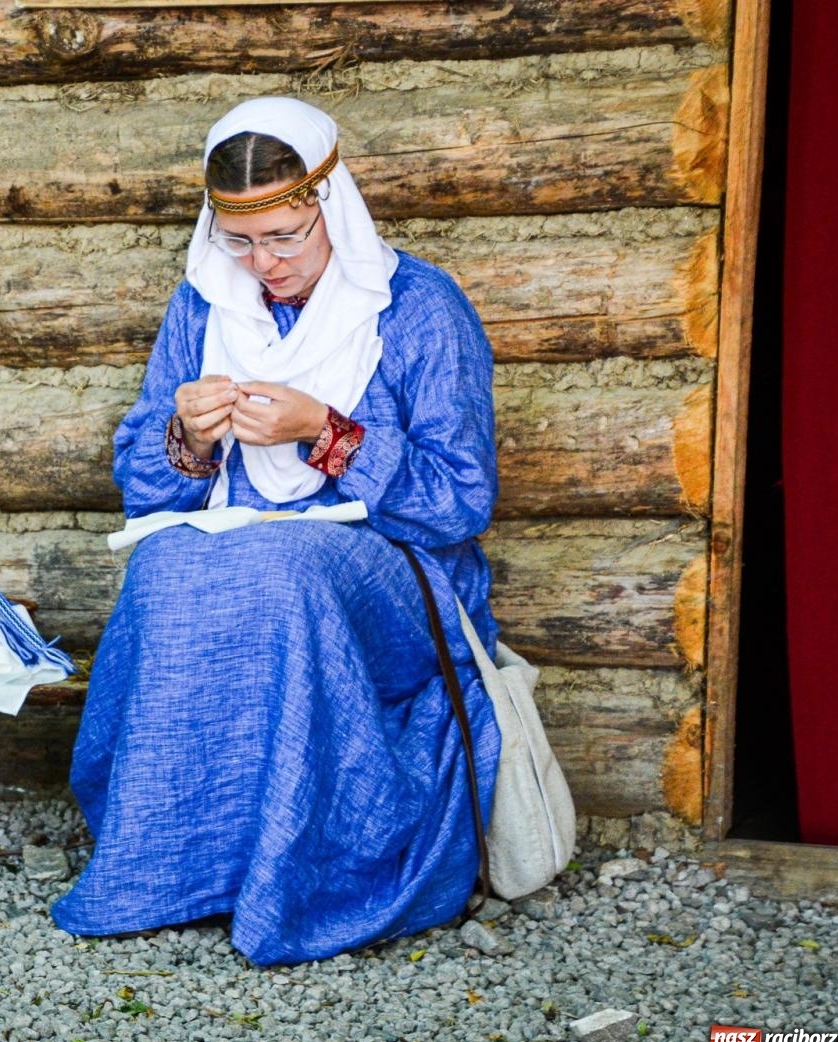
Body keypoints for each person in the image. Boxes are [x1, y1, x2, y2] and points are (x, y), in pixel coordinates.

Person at [49, 97, 503, 965]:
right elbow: (144, 485)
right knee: (165, 566)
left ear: (332, 207)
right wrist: (188, 435)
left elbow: (460, 500)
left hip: (399, 572)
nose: (265, 264)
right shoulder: (205, 307)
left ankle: (301, 869)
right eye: (240, 241)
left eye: (287, 237)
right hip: (243, 543)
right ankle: (175, 865)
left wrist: (324, 432)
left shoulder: (418, 308)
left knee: (284, 567)